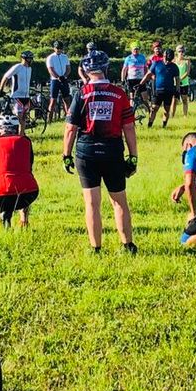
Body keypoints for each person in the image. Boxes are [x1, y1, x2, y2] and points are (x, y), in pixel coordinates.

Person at [63, 50, 138, 254]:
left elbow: (70, 128)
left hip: (86, 153)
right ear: (106, 68)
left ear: (86, 71)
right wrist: (133, 156)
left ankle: (95, 248)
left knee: (91, 203)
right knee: (119, 201)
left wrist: (66, 155)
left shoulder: (81, 93)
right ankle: (128, 245)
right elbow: (129, 127)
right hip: (113, 152)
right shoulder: (119, 93)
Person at [0, 114, 39, 229]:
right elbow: (28, 168)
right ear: (17, 128)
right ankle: (23, 221)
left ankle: (0, 219)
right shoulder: (26, 142)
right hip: (29, 192)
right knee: (23, 177)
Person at [141, 48, 182, 128]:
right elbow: (148, 74)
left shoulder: (174, 67)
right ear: (164, 56)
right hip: (158, 90)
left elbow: (177, 79)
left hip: (169, 91)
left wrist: (177, 90)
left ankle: (164, 125)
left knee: (166, 110)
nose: (168, 61)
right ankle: (150, 125)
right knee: (154, 108)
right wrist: (141, 83)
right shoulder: (156, 64)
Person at [0, 51, 35, 126]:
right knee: (19, 117)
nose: (31, 60)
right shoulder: (18, 67)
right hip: (17, 95)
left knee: (24, 119)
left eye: (31, 59)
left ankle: (22, 133)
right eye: (29, 59)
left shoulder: (30, 69)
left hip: (26, 96)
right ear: (24, 59)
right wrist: (1, 89)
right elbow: (6, 76)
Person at [45, 41, 72, 119]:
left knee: (67, 100)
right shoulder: (50, 57)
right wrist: (57, 77)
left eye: (60, 48)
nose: (58, 50)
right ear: (54, 48)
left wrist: (64, 76)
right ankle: (49, 120)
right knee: (53, 100)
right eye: (57, 48)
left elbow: (68, 68)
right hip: (55, 80)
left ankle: (68, 118)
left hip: (64, 79)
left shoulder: (65, 57)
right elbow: (50, 69)